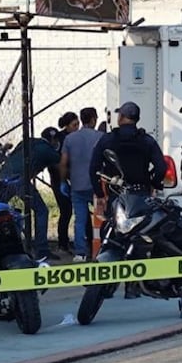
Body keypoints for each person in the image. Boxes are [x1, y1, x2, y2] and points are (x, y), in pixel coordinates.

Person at [89, 101, 166, 298]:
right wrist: (152, 183)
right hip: (140, 195)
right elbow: (161, 168)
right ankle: (133, 287)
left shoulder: (108, 139)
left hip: (116, 194)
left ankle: (106, 284)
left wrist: (100, 194)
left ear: (121, 117)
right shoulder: (147, 140)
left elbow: (93, 169)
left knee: (111, 235)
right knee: (138, 237)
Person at [0, 126, 63, 260]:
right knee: (41, 210)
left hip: (3, 176)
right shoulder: (48, 150)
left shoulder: (28, 142)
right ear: (53, 140)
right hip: (20, 179)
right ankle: (42, 249)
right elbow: (61, 161)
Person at [59, 106, 102, 262]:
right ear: (93, 119)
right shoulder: (100, 137)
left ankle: (80, 253)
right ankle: (100, 250)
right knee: (101, 218)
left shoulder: (70, 139)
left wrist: (63, 181)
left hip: (77, 185)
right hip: (96, 185)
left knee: (80, 219)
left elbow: (63, 163)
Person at [51, 111, 79, 254]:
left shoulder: (74, 138)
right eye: (74, 125)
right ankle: (63, 243)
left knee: (77, 211)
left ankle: (70, 242)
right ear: (67, 126)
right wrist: (64, 179)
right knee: (66, 211)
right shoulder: (60, 139)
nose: (77, 127)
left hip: (72, 178)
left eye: (78, 124)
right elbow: (55, 162)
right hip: (59, 179)